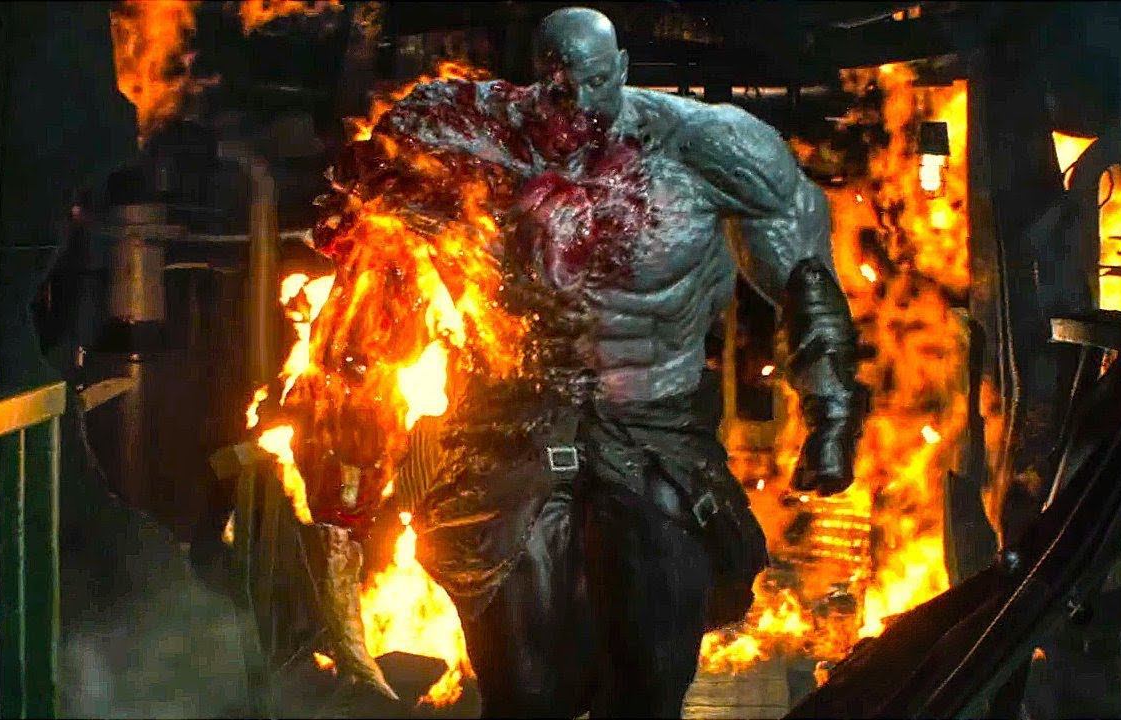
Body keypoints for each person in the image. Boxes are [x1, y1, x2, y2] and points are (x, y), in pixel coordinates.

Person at [313, 6, 868, 717]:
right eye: (558, 87)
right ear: (533, 79)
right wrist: (349, 440)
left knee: (648, 682)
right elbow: (376, 272)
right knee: (526, 692)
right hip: (507, 428)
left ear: (624, 70)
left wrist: (831, 412)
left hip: (657, 431)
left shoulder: (711, 147)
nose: (576, 102)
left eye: (596, 82)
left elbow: (804, 279)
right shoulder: (458, 136)